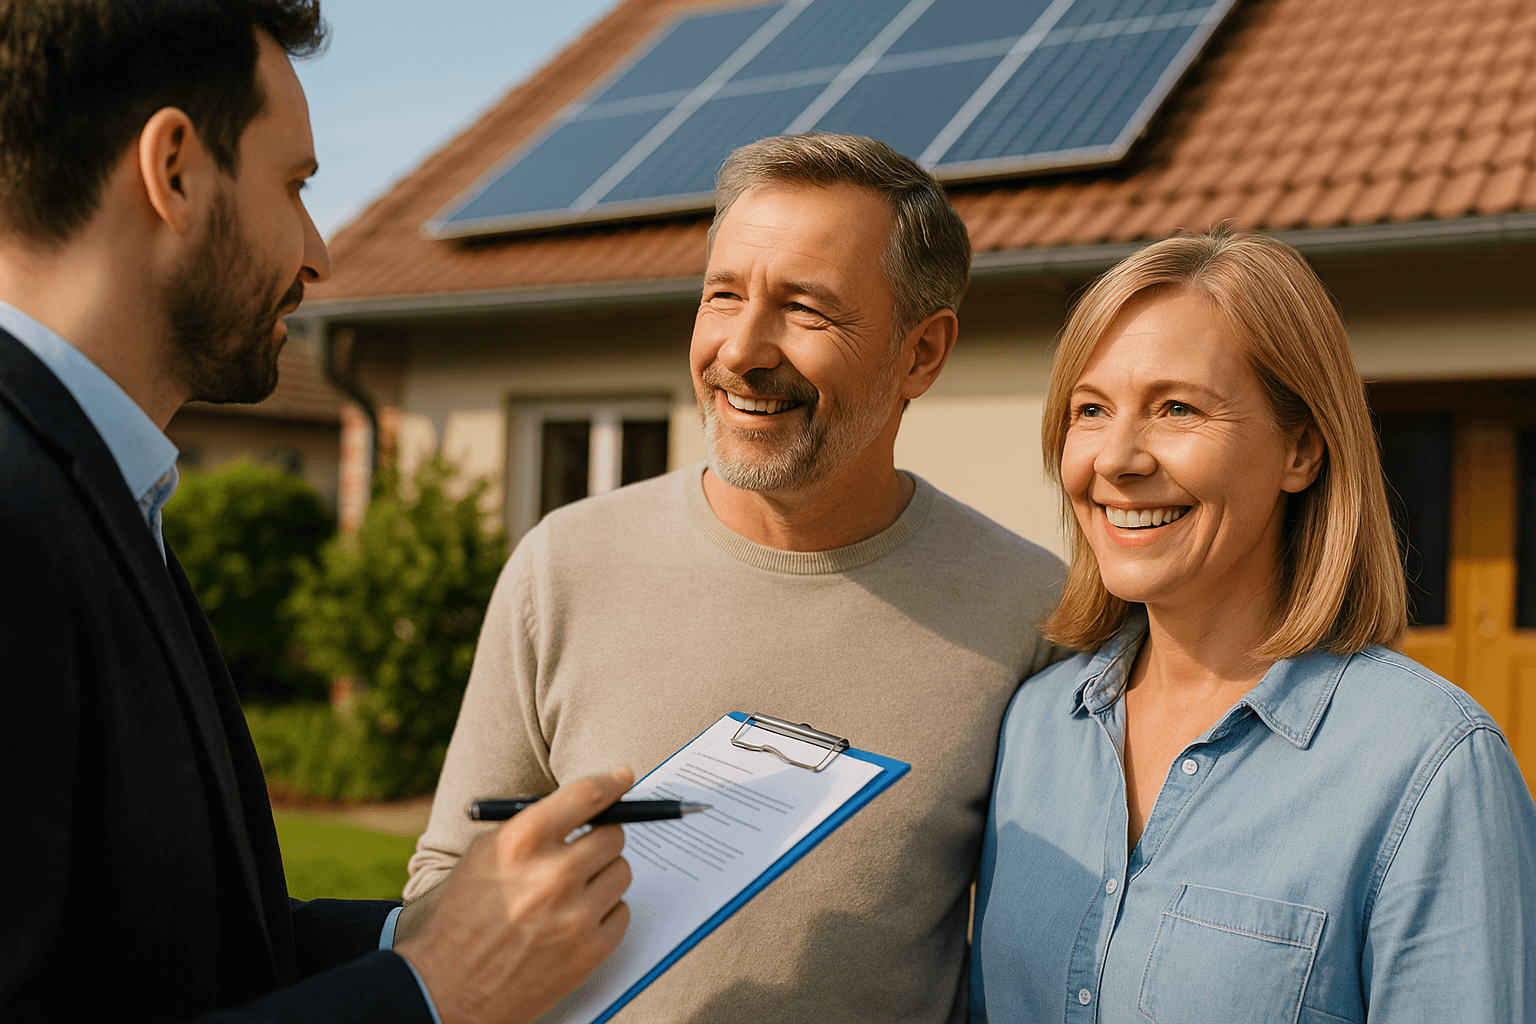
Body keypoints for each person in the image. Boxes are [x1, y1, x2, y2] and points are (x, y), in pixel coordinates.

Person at [0, 3, 634, 1022]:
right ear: (173, 171)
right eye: (294, 187)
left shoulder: (100, 488)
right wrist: (427, 993)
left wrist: (423, 933)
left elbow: (172, 941)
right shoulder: (15, 513)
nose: (319, 253)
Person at [407, 133, 1065, 1024]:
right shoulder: (564, 563)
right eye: (723, 295)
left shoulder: (1031, 611)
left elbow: (1047, 952)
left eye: (806, 310)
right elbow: (445, 887)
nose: (742, 350)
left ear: (922, 353)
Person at [970, 227, 1536, 1023]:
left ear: (1300, 450)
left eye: (1176, 408)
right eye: (1090, 409)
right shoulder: (1034, 727)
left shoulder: (1431, 768)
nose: (1118, 459)